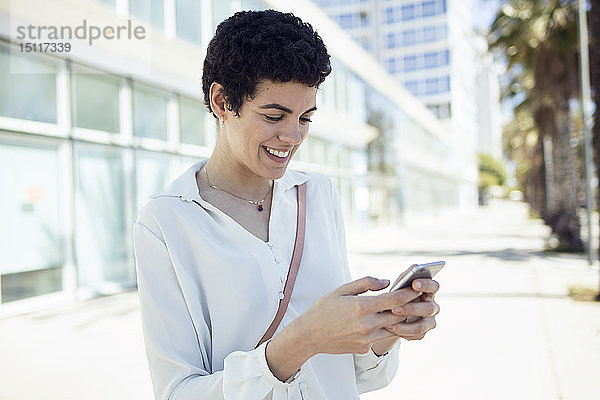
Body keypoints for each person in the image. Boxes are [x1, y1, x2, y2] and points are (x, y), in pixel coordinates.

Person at [133, 9, 440, 400]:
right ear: (223, 101)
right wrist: (302, 340)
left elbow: (357, 378)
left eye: (306, 118)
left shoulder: (320, 195)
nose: (293, 136)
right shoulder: (166, 222)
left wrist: (384, 329)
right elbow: (177, 392)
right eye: (274, 115)